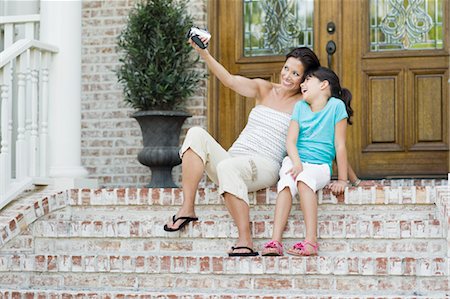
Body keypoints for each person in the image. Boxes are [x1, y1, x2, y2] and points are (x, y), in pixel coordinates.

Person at [163, 34, 321, 256]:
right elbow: (228, 80)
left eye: (295, 74)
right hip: (234, 159)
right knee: (196, 134)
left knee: (227, 168)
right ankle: (188, 207)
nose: (287, 76)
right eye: (286, 69)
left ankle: (245, 240)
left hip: (264, 164)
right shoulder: (264, 88)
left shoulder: (304, 103)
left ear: (305, 78)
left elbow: (324, 126)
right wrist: (203, 53)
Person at [261, 66, 353, 257]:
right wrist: (296, 163)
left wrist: (343, 180)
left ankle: (310, 242)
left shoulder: (336, 106)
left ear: (323, 85)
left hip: (319, 166)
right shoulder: (300, 107)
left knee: (304, 181)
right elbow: (291, 141)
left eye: (308, 80)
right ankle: (275, 241)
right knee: (286, 183)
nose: (302, 84)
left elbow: (340, 145)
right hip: (296, 161)